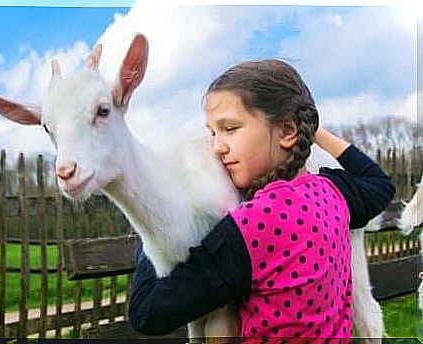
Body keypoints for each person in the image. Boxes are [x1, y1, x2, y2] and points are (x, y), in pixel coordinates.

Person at [128, 59, 395, 340]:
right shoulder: (332, 192)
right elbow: (378, 183)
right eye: (212, 133)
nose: (217, 147)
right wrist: (312, 129)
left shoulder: (253, 225)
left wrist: (153, 217)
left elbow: (148, 312)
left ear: (288, 131)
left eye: (230, 129)